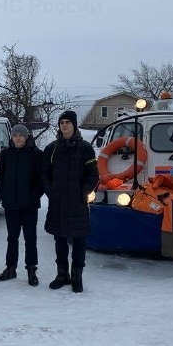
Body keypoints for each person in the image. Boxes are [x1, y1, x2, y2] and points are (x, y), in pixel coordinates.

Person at [42, 110, 99, 293]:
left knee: (78, 241)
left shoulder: (85, 148)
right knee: (59, 240)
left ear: (74, 125)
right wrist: (50, 191)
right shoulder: (52, 149)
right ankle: (62, 274)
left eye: (67, 122)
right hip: (57, 203)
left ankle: (76, 275)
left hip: (77, 203)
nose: (64, 125)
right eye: (61, 122)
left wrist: (83, 192)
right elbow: (44, 174)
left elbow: (93, 175)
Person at [0, 124, 45, 286]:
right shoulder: (6, 154)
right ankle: (10, 268)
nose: (18, 137)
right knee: (12, 238)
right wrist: (3, 194)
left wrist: (34, 197)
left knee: (30, 239)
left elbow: (41, 180)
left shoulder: (36, 155)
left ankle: (31, 270)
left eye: (21, 135)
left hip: (29, 206)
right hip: (11, 205)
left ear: (26, 137)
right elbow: (0, 176)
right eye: (15, 135)